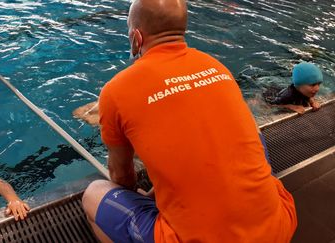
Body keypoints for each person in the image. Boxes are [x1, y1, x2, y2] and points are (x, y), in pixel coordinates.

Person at [82, 0, 297, 242]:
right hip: (278, 224)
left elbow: (121, 178)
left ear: (136, 38)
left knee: (93, 193)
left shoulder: (116, 90)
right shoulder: (217, 68)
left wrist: (138, 198)